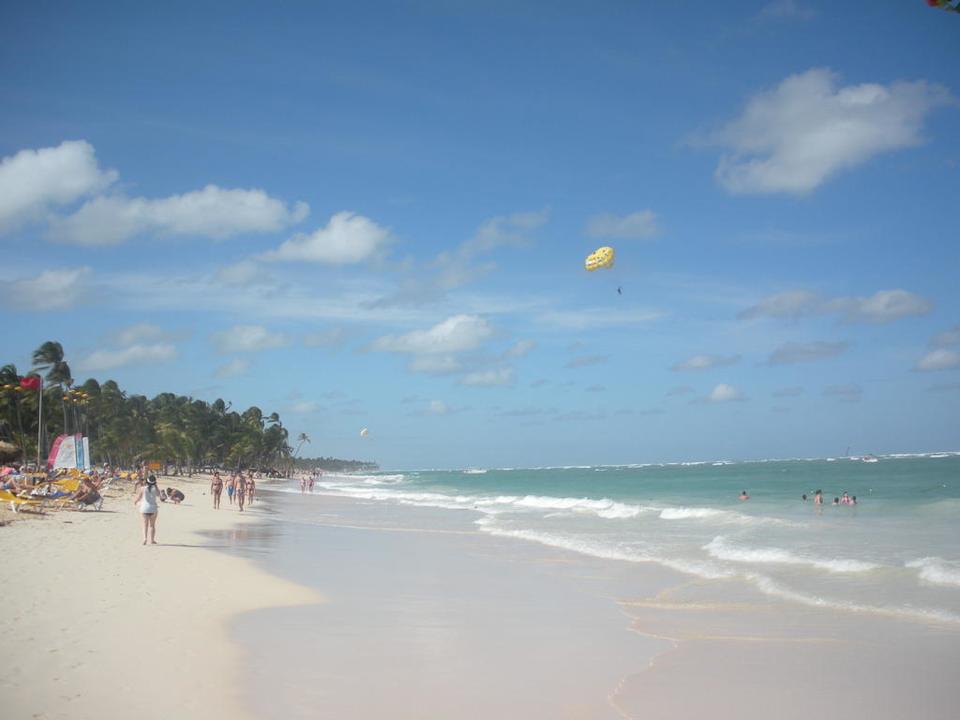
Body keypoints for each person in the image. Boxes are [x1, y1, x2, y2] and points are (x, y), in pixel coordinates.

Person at [133, 475, 161, 545]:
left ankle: (145, 539)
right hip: (153, 508)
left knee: (145, 525)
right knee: (152, 525)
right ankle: (152, 540)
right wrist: (156, 485)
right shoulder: (155, 489)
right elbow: (158, 495)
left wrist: (135, 502)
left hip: (144, 508)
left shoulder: (142, 488)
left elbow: (138, 497)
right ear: (154, 482)